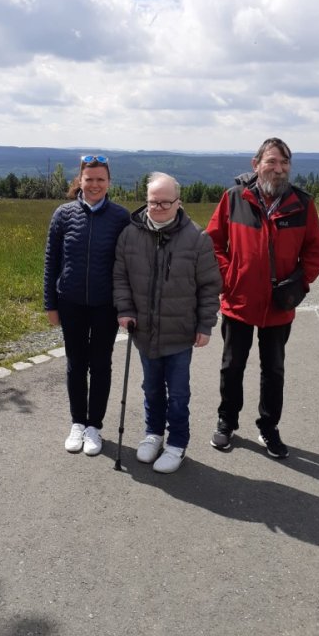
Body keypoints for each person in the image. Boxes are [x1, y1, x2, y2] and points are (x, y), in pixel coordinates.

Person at [206, 138, 319, 459]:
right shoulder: (233, 199)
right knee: (232, 366)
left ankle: (269, 427)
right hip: (238, 301)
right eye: (272, 161)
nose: (279, 168)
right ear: (256, 164)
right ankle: (226, 421)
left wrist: (299, 285)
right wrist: (229, 277)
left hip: (279, 306)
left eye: (285, 162)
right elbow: (213, 243)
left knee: (273, 370)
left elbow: (315, 252)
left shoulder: (302, 204)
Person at [113, 172, 222, 473]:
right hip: (144, 331)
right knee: (150, 388)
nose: (158, 207)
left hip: (179, 333)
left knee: (178, 393)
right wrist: (125, 309)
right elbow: (120, 276)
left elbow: (210, 286)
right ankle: (153, 434)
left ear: (178, 202)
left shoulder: (197, 239)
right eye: (152, 202)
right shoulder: (129, 234)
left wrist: (205, 325)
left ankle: (177, 443)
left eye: (165, 202)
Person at [44, 155, 130, 456]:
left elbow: (128, 265)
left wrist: (126, 306)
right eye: (89, 179)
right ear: (80, 180)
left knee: (101, 365)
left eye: (100, 180)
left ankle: (95, 426)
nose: (94, 184)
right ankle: (77, 423)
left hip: (106, 306)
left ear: (108, 183)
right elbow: (51, 262)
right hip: (71, 304)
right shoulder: (63, 214)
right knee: (75, 365)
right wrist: (50, 305)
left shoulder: (121, 217)